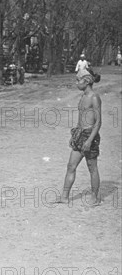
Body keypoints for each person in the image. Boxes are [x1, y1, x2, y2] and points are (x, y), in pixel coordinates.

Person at [58, 67, 102, 206]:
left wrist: (89, 140)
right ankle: (64, 197)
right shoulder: (83, 96)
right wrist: (75, 134)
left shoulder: (94, 98)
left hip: (90, 136)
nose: (76, 83)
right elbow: (81, 118)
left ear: (87, 81)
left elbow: (98, 122)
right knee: (71, 166)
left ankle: (94, 198)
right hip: (80, 134)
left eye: (78, 80)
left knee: (92, 168)